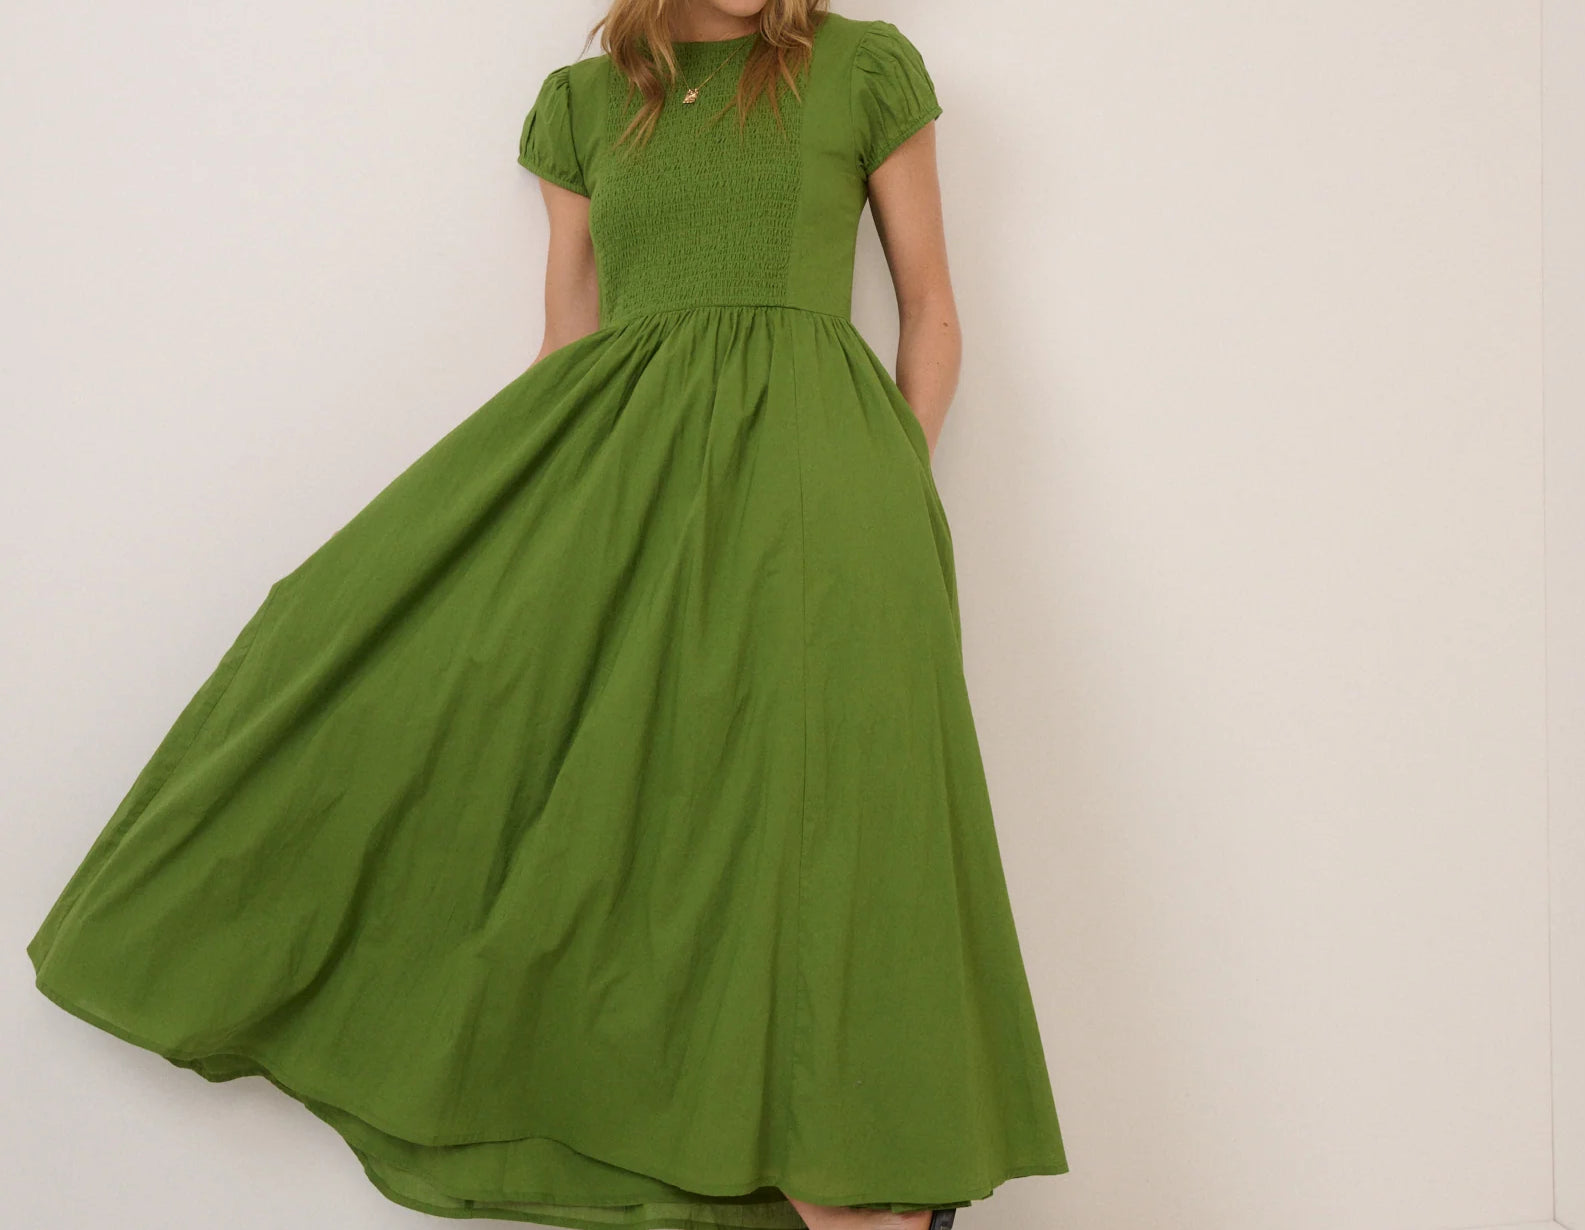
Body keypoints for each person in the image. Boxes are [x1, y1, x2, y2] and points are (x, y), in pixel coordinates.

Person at [25, 1, 1069, 1227]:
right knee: (640, 823)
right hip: (628, 496)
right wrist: (503, 523)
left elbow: (932, 311)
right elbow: (568, 338)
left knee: (829, 844)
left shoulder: (861, 70)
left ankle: (867, 1192)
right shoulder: (583, 106)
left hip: (824, 506)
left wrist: (889, 482)